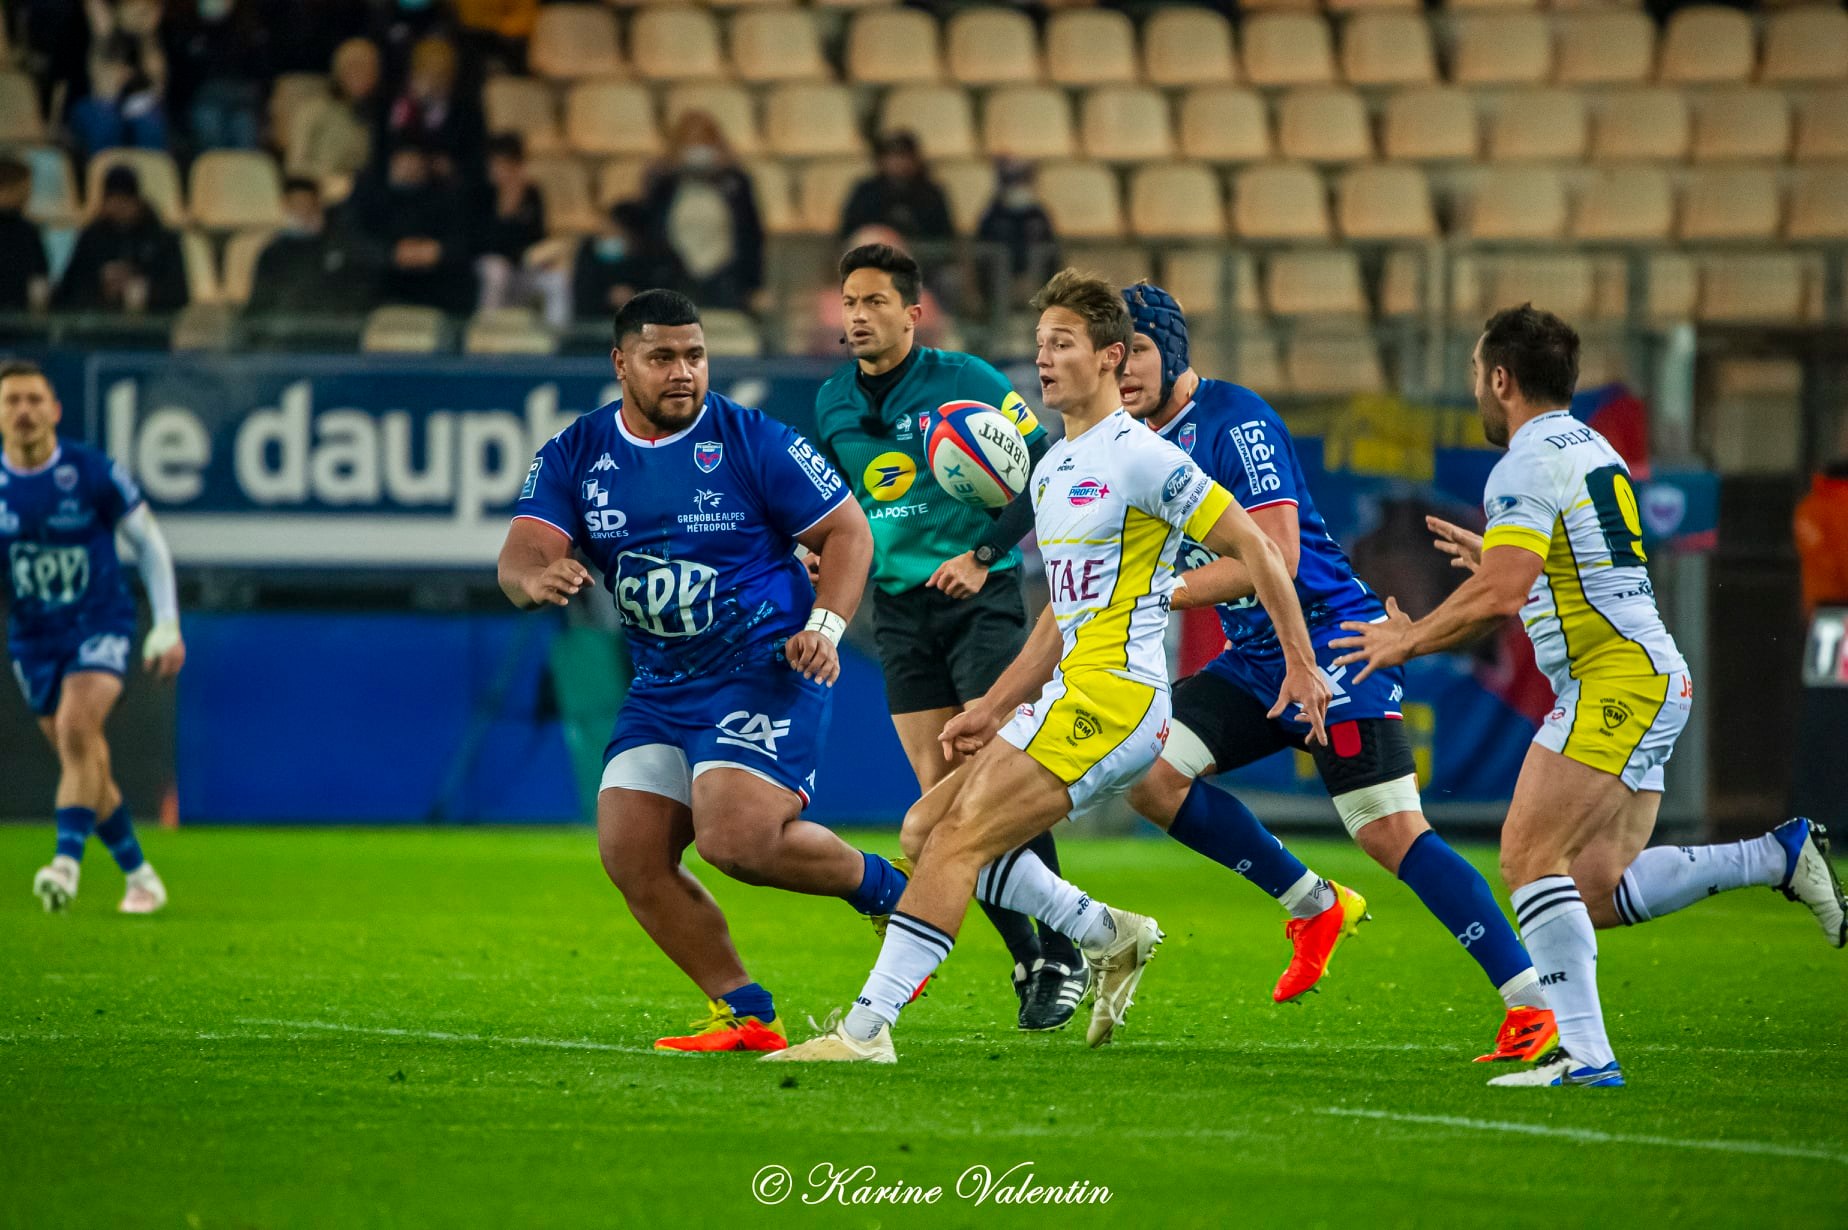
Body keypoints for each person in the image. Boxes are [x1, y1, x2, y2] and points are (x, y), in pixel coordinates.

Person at [768, 270, 1330, 1064]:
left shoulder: (1142, 458)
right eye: (1040, 345)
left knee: (959, 842)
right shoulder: (1055, 465)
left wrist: (1301, 668)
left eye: (1061, 344)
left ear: (1108, 358)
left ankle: (865, 1032)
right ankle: (1109, 935)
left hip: (1119, 700)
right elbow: (1058, 618)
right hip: (1069, 692)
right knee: (924, 829)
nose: (1044, 360)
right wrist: (994, 706)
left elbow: (1263, 550)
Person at [1331, 305, 1847, 1089]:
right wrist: (1506, 562)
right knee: (1594, 889)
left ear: (1501, 379)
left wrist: (1407, 638)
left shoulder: (1526, 461)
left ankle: (1586, 1058)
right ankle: (1773, 855)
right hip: (1649, 672)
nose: (1476, 387)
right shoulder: (1590, 445)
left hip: (1616, 678)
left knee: (1528, 857)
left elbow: (1505, 594)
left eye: (1476, 373)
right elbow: (1570, 573)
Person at [1114, 284, 1556, 1064]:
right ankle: (1314, 904)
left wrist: (1158, 592)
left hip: (1334, 643)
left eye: (1139, 351)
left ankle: (1532, 1002)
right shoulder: (1129, 441)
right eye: (1113, 354)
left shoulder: (1233, 419)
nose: (1124, 369)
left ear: (1174, 350)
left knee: (1388, 833)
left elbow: (1276, 556)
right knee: (1150, 775)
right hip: (1256, 660)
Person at [498, 290, 910, 1054]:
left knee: (736, 841)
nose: (683, 372)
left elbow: (848, 533)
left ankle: (894, 894)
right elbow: (521, 552)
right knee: (630, 852)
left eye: (694, 355)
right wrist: (534, 580)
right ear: (622, 364)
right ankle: (747, 1013)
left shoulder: (753, 439)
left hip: (765, 666)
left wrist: (825, 624)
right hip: (662, 683)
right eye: (662, 357)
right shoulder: (577, 452)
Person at [811, 242, 1088, 1031]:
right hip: (897, 610)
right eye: (850, 302)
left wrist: (984, 553)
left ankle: (1065, 951)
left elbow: (1047, 472)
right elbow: (836, 509)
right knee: (940, 793)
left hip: (980, 602)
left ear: (912, 311)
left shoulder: (966, 381)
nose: (859, 315)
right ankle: (1032, 955)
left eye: (875, 302)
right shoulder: (833, 402)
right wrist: (813, 547)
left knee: (986, 782)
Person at [1, 362, 183, 915]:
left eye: (34, 399)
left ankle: (65, 864)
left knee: (76, 727)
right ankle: (141, 876)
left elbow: (148, 543)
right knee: (85, 762)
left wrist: (167, 622)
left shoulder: (90, 471)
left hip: (100, 623)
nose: (24, 411)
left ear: (54, 410)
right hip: (33, 639)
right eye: (12, 401)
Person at [638, 112, 764, 313]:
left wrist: (753, 284)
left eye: (704, 141)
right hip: (675, 276)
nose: (697, 149)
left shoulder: (736, 182)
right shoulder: (663, 184)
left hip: (726, 276)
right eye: (690, 142)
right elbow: (649, 232)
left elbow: (751, 234)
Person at [349, 140, 476, 315]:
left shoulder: (445, 197)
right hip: (385, 278)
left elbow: (463, 239)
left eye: (416, 160)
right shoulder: (370, 198)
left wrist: (438, 251)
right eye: (403, 160)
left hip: (438, 279)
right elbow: (355, 239)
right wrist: (391, 253)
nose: (410, 166)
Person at [54, 165, 188, 315]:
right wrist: (102, 287)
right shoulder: (91, 238)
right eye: (113, 200)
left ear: (136, 201)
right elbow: (67, 291)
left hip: (149, 331)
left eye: (124, 201)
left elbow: (179, 294)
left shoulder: (162, 239)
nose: (118, 208)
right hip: (98, 329)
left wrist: (143, 290)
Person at [246, 177, 377, 317]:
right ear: (285, 207)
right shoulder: (273, 253)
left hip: (332, 329)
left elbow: (357, 294)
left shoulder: (340, 247)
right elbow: (259, 304)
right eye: (297, 206)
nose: (304, 213)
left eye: (309, 206)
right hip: (287, 329)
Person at [474, 132, 566, 327]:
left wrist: (543, 256)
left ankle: (558, 341)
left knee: (557, 280)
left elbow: (539, 235)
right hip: (490, 266)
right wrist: (506, 212)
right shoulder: (479, 194)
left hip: (525, 267)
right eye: (498, 165)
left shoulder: (532, 193)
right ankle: (486, 332)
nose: (504, 171)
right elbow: (482, 243)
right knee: (497, 271)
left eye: (510, 165)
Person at [163, 0, 273, 152]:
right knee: (209, 121)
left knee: (244, 126)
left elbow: (261, 72)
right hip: (203, 98)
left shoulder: (249, 29)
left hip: (242, 99)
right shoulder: (185, 28)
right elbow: (180, 77)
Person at [70, 0, 171, 157]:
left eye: (146, 11)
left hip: (136, 106)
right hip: (94, 103)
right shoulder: (103, 33)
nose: (141, 16)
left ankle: (150, 176)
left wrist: (148, 36)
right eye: (137, 10)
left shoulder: (151, 41)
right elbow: (104, 91)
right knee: (107, 120)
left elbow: (157, 87)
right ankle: (105, 173)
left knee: (150, 122)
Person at [286, 37, 380, 183]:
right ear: (339, 70)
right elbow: (296, 165)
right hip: (319, 190)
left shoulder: (377, 116)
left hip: (361, 193)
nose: (361, 73)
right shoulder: (314, 110)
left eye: (369, 67)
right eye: (354, 66)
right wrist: (332, 180)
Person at [839, 131, 954, 247]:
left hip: (923, 261)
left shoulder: (931, 193)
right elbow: (850, 233)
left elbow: (944, 239)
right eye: (893, 157)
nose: (899, 163)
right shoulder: (866, 192)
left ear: (916, 160)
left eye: (905, 157)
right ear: (881, 161)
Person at [976, 157, 1060, 305]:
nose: (1018, 187)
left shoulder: (1038, 214)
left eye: (1021, 181)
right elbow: (980, 253)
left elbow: (1052, 253)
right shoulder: (993, 214)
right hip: (999, 284)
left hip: (1033, 281)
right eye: (1013, 181)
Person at [570, 201, 648, 321]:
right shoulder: (588, 255)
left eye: (616, 231)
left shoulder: (649, 262)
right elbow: (582, 299)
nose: (608, 236)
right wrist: (606, 299)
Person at [0, 158, 51, 314]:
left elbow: (41, 276)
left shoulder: (28, 231)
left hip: (22, 322)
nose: (27, 193)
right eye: (22, 188)